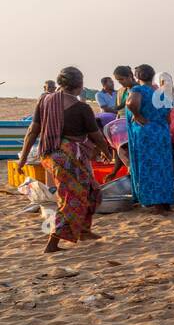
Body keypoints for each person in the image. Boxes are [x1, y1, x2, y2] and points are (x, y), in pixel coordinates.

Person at [16, 66, 112, 254]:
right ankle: (52, 244)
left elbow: (32, 132)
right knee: (72, 198)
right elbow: (96, 136)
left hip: (50, 155)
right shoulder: (81, 108)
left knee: (92, 190)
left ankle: (84, 231)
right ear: (80, 85)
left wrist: (23, 158)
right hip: (67, 158)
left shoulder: (45, 101)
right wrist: (107, 151)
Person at [124, 64, 174, 214]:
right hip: (162, 132)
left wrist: (138, 115)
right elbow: (168, 114)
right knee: (163, 166)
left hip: (147, 133)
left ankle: (156, 203)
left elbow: (131, 103)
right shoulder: (160, 92)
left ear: (137, 77)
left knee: (150, 167)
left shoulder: (138, 90)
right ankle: (166, 203)